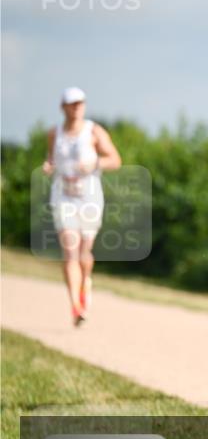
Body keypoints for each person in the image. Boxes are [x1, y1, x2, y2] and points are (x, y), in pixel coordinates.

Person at [43, 87, 122, 326]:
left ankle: (85, 284)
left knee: (84, 254)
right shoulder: (54, 133)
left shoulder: (94, 131)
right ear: (63, 106)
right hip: (63, 195)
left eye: (80, 103)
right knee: (70, 251)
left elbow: (116, 160)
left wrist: (94, 162)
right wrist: (48, 165)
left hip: (88, 196)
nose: (76, 107)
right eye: (71, 103)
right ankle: (75, 306)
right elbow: (51, 158)